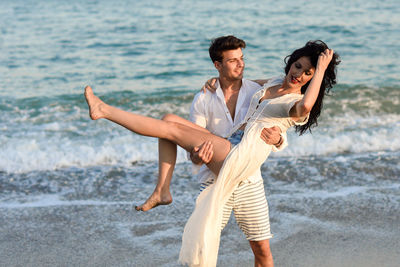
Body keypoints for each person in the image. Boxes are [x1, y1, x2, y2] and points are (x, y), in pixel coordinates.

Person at [84, 40, 340, 267]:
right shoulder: (271, 84)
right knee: (169, 120)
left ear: (314, 78)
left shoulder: (297, 104)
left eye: (308, 73)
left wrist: (320, 71)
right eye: (298, 67)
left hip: (241, 160)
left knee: (262, 249)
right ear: (290, 63)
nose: (299, 75)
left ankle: (105, 111)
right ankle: (162, 189)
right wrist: (215, 81)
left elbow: (306, 105)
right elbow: (243, 83)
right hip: (227, 149)